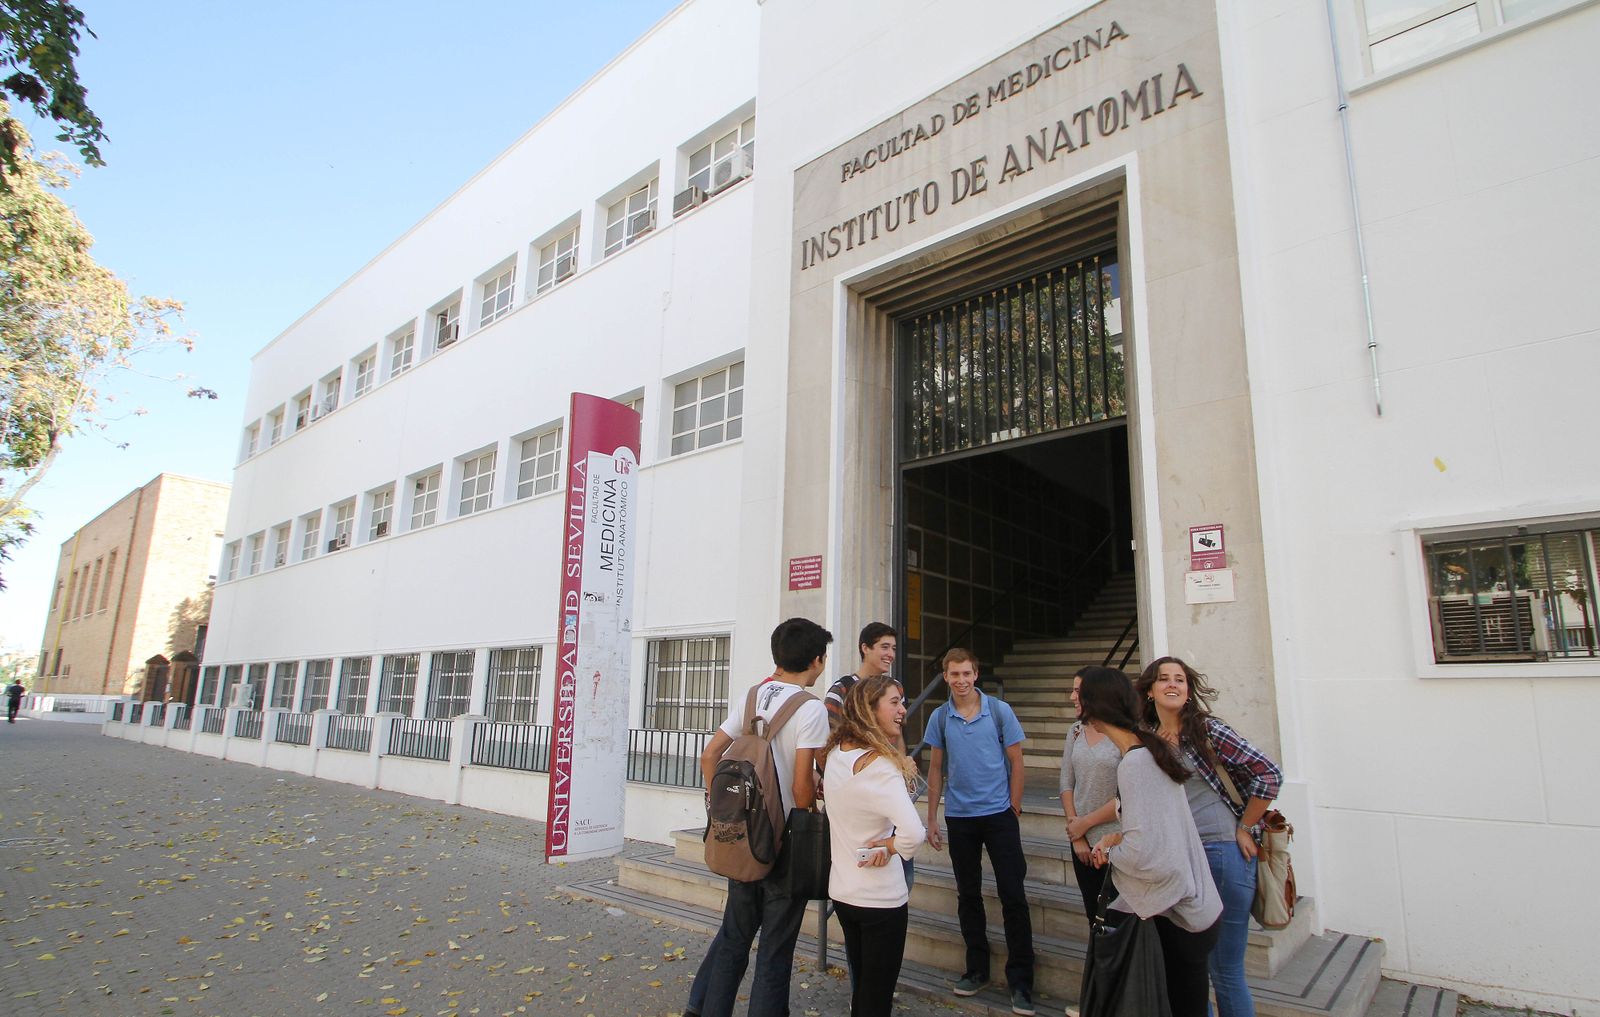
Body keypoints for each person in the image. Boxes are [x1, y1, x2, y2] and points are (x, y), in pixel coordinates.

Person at [684, 618, 832, 1017]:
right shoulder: (810, 707)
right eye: (823, 659)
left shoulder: (752, 696)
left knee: (734, 939)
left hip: (743, 837)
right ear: (816, 660)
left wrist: (723, 810)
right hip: (784, 845)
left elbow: (710, 754)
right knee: (774, 953)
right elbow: (802, 788)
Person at [1137, 656, 1283, 1017]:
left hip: (1220, 853)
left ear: (1188, 691)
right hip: (1179, 860)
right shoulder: (1148, 739)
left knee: (1225, 969)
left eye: (1180, 680)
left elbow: (1269, 774)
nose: (1173, 684)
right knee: (1191, 967)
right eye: (1164, 679)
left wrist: (1246, 826)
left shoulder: (1207, 731)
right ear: (1150, 691)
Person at [1079, 665, 1222, 1017]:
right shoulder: (1147, 748)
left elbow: (1146, 853)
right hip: (1194, 909)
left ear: (1095, 709)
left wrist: (1111, 849)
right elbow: (1156, 825)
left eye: (1079, 696)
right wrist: (1120, 834)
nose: (1072, 700)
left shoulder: (1135, 763)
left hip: (1181, 916)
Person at [924, 648, 1035, 1016]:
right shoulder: (940, 717)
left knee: (1013, 895)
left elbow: (1017, 761)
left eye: (966, 673)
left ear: (976, 674)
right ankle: (977, 969)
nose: (960, 680)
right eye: (953, 674)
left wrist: (1014, 808)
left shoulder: (999, 712)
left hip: (999, 815)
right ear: (946, 676)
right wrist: (932, 817)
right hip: (960, 817)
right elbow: (936, 768)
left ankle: (1021, 981)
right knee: (967, 894)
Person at [820, 674, 926, 1017]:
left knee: (863, 990)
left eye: (904, 702)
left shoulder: (836, 754)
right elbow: (914, 833)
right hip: (881, 900)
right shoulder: (881, 769)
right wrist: (892, 846)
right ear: (869, 709)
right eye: (894, 702)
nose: (903, 710)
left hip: (845, 893)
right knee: (876, 999)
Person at [1059, 667, 1121, 928]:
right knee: (1093, 916)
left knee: (1118, 919)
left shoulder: (1125, 735)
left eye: (1078, 691)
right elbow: (1066, 783)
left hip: (1117, 842)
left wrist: (1086, 824)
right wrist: (1078, 832)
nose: (1073, 697)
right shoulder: (1075, 731)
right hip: (1081, 844)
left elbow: (1127, 797)